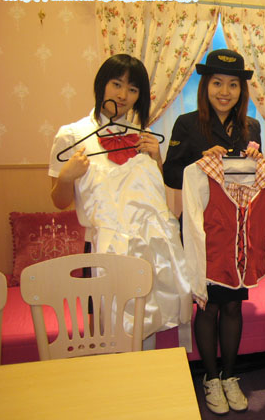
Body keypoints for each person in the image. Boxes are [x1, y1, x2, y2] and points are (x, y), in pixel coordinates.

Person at [48, 53, 192, 351]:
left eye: (132, 89)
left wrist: (157, 158)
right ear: (102, 84)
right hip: (101, 250)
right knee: (105, 332)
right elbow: (59, 202)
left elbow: (155, 199)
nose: (123, 95)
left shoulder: (144, 138)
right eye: (116, 84)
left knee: (147, 324)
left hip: (147, 248)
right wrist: (66, 177)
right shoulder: (72, 136)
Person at [163, 49, 263, 416]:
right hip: (201, 231)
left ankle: (230, 376)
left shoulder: (251, 127)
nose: (225, 91)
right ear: (206, 86)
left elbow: (251, 180)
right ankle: (210, 377)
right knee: (207, 306)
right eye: (217, 83)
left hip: (236, 232)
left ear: (241, 90)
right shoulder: (187, 124)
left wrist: (251, 165)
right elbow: (171, 175)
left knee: (233, 304)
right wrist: (203, 160)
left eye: (233, 85)